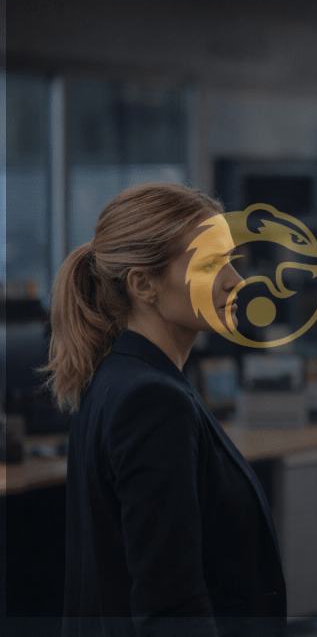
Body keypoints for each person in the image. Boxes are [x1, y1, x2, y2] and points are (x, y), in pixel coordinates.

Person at [45, 183, 287, 637]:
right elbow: (171, 603)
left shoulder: (118, 376)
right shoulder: (151, 400)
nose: (236, 279)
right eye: (213, 264)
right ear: (143, 285)